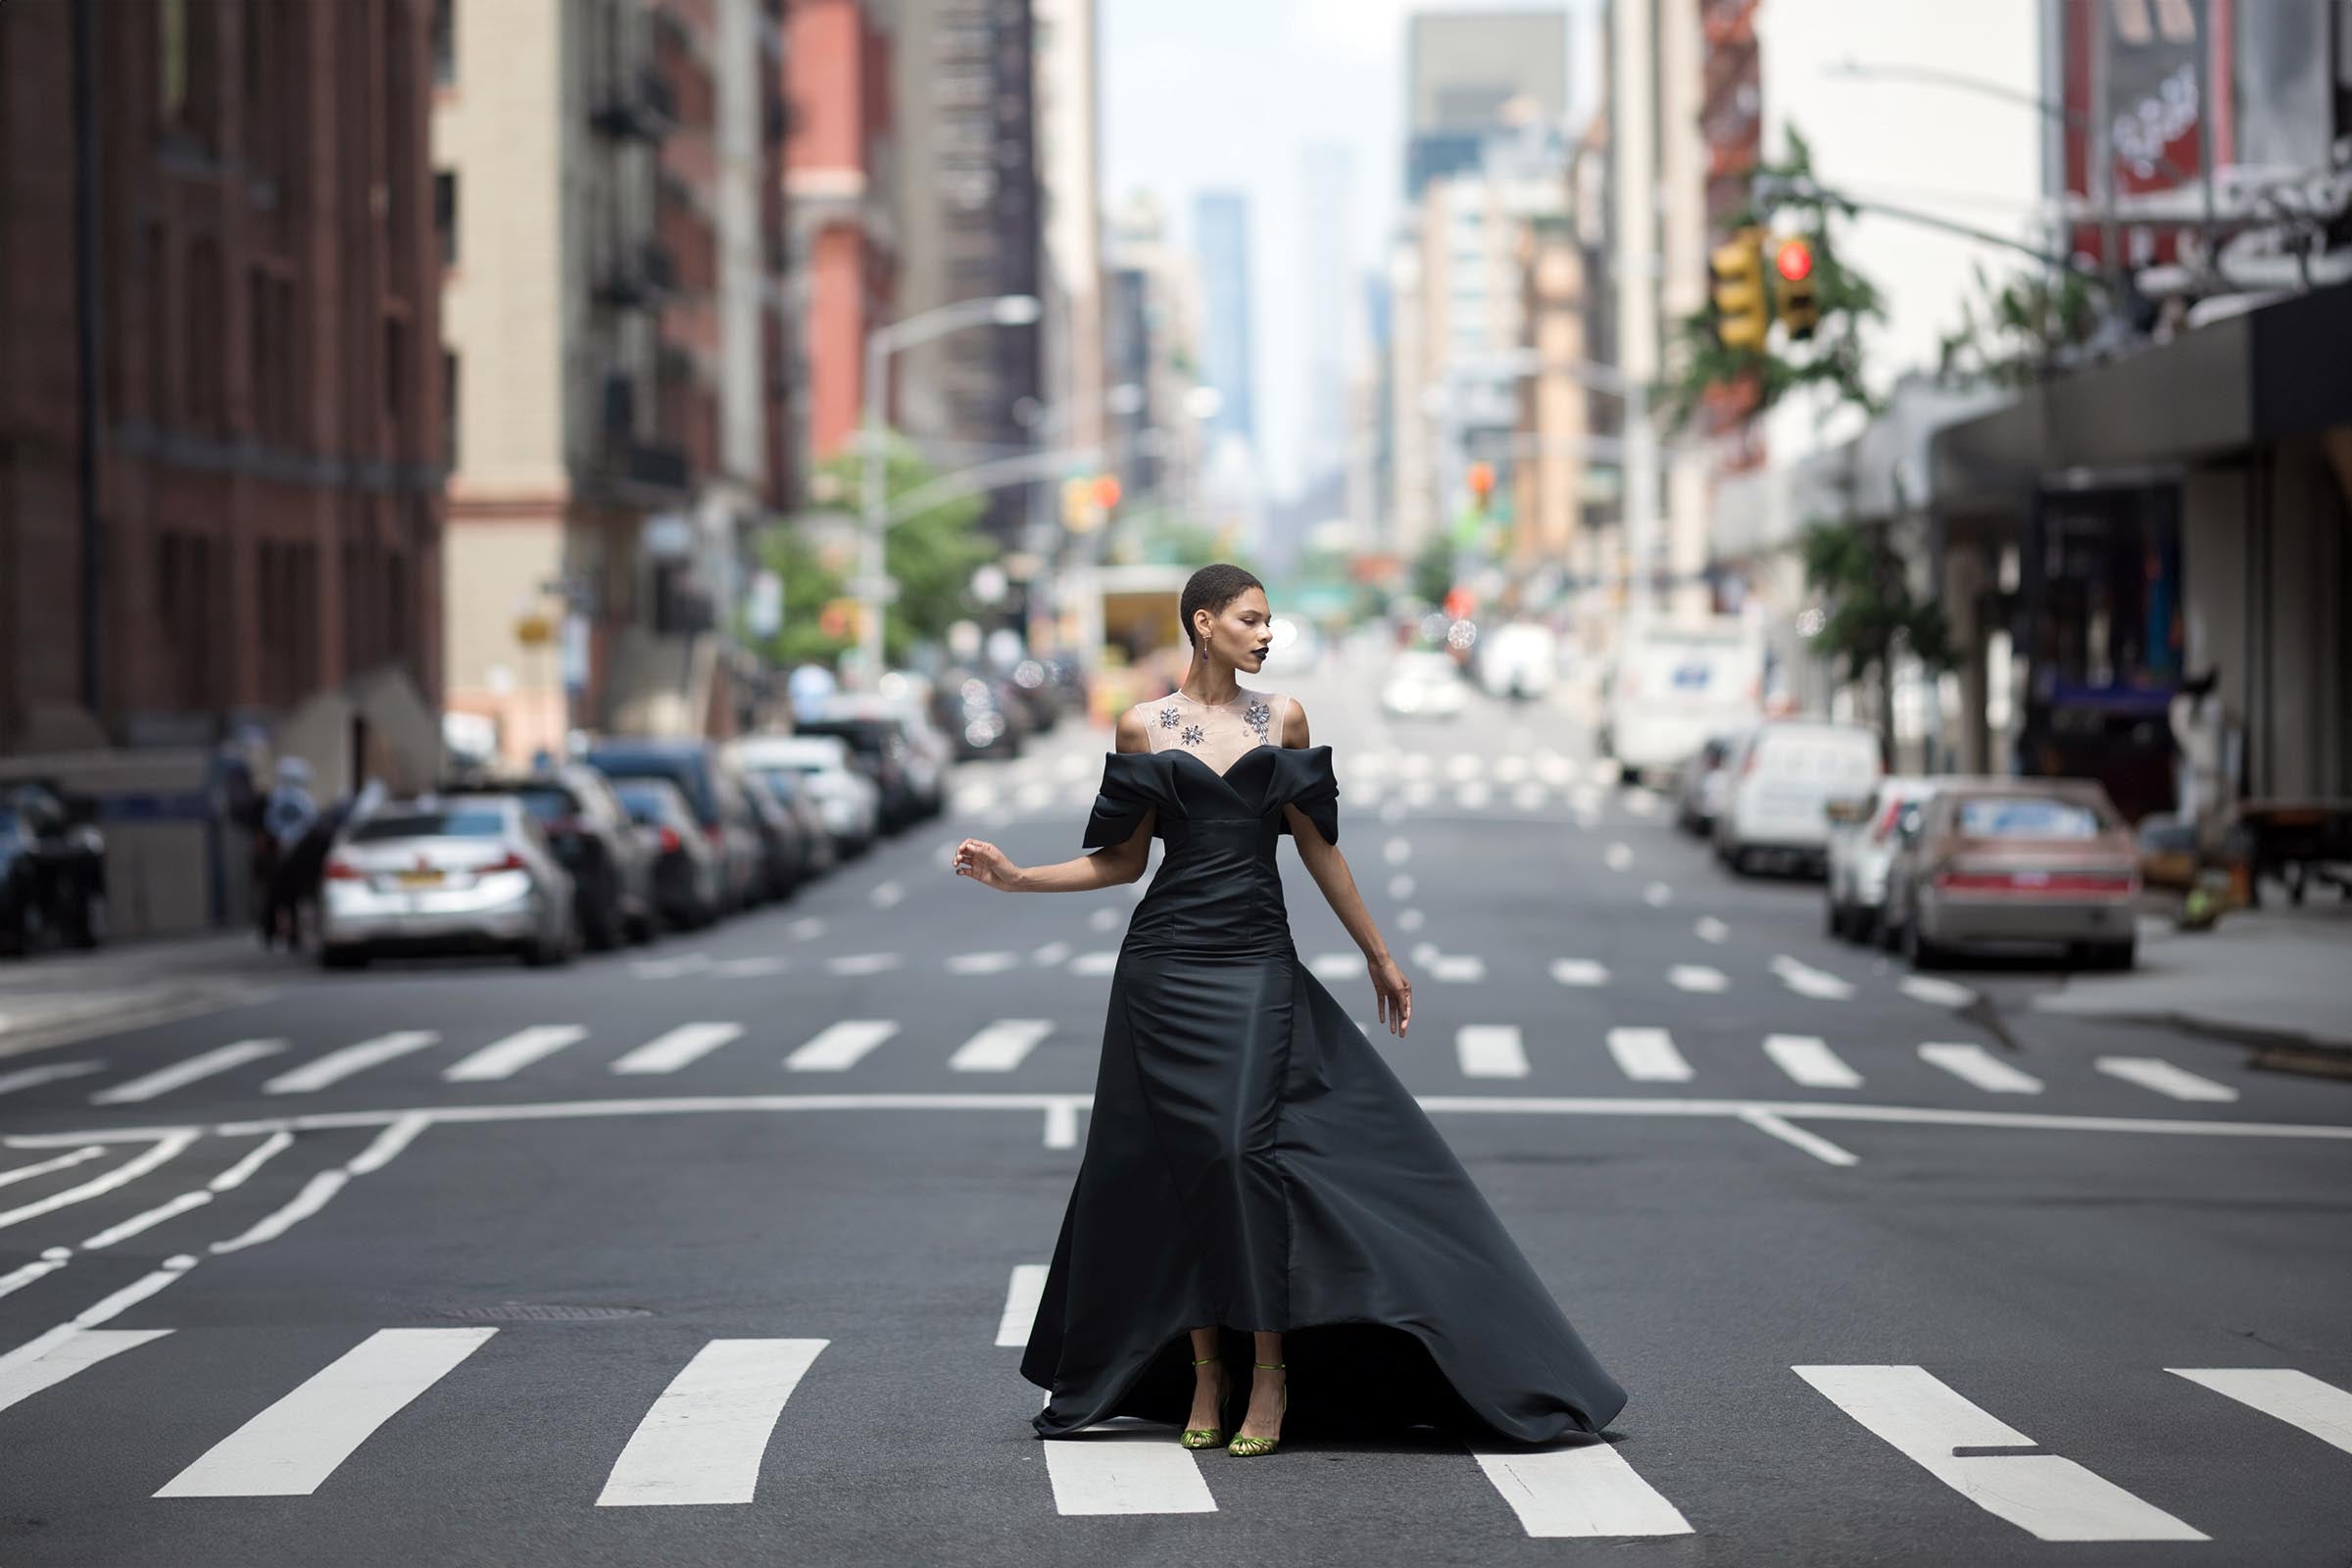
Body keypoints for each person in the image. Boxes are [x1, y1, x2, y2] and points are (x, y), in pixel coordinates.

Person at [951, 563, 1626, 1458]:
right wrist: (1018, 876)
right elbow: (1121, 862)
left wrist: (1379, 956)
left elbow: (1319, 851)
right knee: (1180, 1164)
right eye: (1252, 619)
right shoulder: (1143, 724)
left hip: (1256, 962)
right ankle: (1205, 1370)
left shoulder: (1286, 719)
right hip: (1162, 970)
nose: (1267, 635)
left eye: (1270, 622)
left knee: (1241, 1153)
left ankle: (1270, 1370)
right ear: (1203, 623)